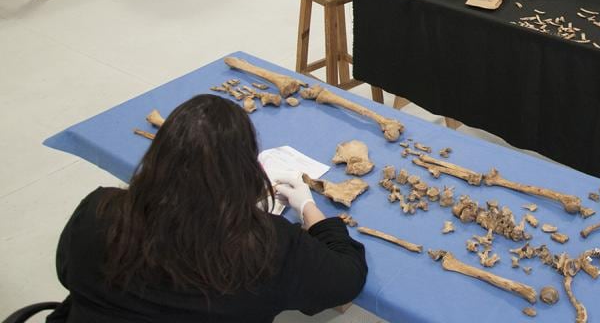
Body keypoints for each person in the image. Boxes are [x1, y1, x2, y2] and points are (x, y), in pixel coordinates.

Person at [51, 94, 367, 322]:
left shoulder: (97, 211)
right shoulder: (267, 246)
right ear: (245, 172)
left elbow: (67, 275)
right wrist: (309, 209)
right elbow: (347, 279)